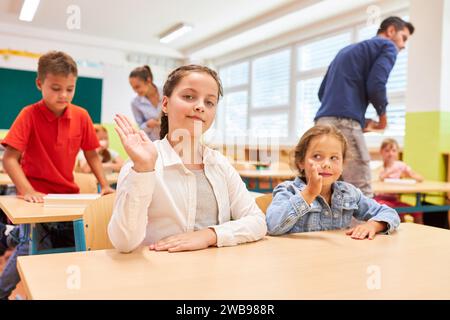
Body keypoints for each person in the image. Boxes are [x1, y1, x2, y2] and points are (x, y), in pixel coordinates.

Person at [109, 65, 267, 253]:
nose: (200, 106)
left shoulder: (220, 164)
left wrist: (209, 235)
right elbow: (123, 243)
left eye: (209, 102)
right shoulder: (143, 163)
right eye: (189, 97)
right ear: (165, 105)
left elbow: (257, 221)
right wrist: (143, 169)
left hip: (216, 272)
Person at [0, 51, 114, 299]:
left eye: (70, 89)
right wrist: (27, 190)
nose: (63, 95)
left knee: (70, 247)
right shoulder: (28, 115)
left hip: (66, 197)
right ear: (39, 84)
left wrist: (104, 185)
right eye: (55, 88)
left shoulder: (82, 116)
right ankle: (3, 290)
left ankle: (12, 235)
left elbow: (92, 154)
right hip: (34, 197)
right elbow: (9, 158)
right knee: (31, 248)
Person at [314, 16, 415, 197]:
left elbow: (322, 93)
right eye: (404, 38)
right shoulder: (388, 46)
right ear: (391, 31)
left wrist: (360, 119)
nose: (403, 45)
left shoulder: (344, 51)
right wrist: (382, 120)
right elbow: (376, 84)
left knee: (324, 190)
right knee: (361, 192)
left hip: (321, 123)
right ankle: (362, 227)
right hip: (345, 123)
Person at [266, 124, 400, 239]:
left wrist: (374, 225)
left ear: (342, 164)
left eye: (334, 158)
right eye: (317, 156)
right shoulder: (287, 190)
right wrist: (308, 194)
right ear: (301, 162)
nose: (326, 164)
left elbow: (389, 213)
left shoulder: (349, 193)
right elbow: (272, 226)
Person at [374, 138, 423, 224]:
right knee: (396, 211)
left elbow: (420, 178)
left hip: (394, 199)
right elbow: (375, 182)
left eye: (394, 150)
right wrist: (386, 174)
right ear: (381, 152)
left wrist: (410, 174)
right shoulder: (378, 167)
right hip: (379, 200)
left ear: (397, 152)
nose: (390, 154)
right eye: (387, 151)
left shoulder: (400, 165)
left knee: (417, 211)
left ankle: (422, 234)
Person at [129, 65, 161, 141]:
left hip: (172, 140)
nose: (135, 91)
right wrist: (147, 125)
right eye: (133, 87)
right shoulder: (135, 102)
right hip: (153, 142)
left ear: (148, 80)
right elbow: (140, 127)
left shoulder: (167, 92)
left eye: (137, 87)